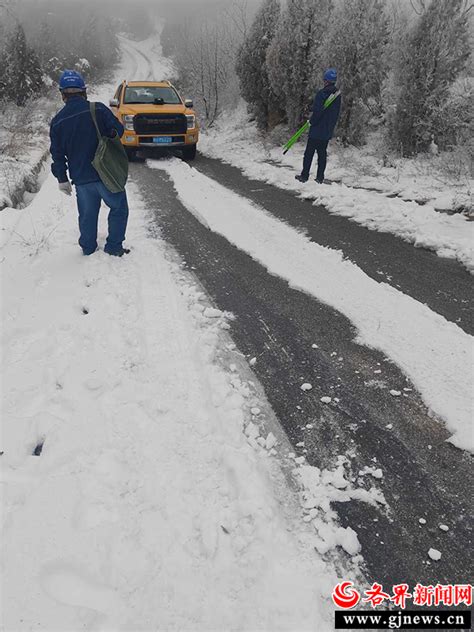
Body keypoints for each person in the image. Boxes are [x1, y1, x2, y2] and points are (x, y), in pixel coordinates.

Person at [50, 70, 130, 256]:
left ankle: (88, 248)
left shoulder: (57, 122)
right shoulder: (98, 109)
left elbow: (57, 154)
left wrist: (62, 178)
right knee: (119, 208)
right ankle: (113, 247)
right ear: (83, 91)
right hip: (106, 173)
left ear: (63, 95)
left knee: (87, 214)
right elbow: (118, 131)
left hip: (81, 178)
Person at [295, 68, 341, 184]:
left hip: (316, 129)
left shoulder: (321, 93)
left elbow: (318, 111)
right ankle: (320, 178)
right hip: (327, 130)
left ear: (326, 80)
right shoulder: (337, 95)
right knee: (322, 154)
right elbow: (333, 113)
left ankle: (304, 176)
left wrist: (312, 122)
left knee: (309, 153)